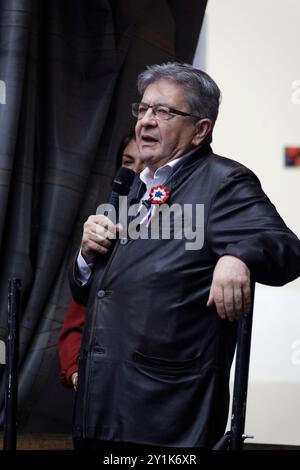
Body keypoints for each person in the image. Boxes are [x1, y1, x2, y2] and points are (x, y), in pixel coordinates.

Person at [69, 62, 300, 450]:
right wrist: (86, 257)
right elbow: (93, 295)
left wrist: (239, 256)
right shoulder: (131, 190)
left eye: (163, 111)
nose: (145, 121)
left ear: (200, 130)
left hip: (165, 417)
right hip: (100, 407)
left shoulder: (222, 182)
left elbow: (287, 249)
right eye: (142, 110)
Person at [59, 133, 144, 390]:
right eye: (128, 162)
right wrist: (77, 374)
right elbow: (75, 325)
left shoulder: (178, 225)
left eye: (147, 166)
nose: (136, 173)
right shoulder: (104, 229)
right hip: (100, 389)